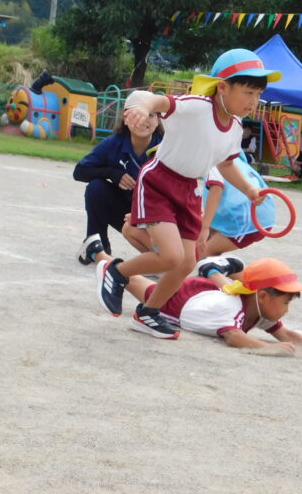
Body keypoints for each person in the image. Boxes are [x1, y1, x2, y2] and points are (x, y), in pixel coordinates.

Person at [95, 48, 280, 338]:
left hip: (190, 190)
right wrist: (144, 107)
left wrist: (249, 190)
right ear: (222, 87)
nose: (253, 101)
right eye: (247, 92)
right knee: (171, 256)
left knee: (188, 261)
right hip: (159, 182)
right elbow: (160, 101)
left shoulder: (235, 127)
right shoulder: (198, 107)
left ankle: (147, 313)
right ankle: (116, 272)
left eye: (258, 95)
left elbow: (227, 164)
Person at [82, 242, 302, 354]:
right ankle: (101, 258)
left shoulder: (257, 309)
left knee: (139, 281)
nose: (286, 309)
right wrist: (268, 348)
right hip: (179, 302)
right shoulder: (235, 310)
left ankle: (97, 253)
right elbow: (234, 337)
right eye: (285, 302)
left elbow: (284, 333)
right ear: (262, 296)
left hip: (202, 294)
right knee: (135, 282)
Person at [73, 90, 163, 262]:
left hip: (158, 217)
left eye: (151, 115)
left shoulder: (167, 147)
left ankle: (163, 254)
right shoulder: (114, 143)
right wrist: (112, 174)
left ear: (158, 119)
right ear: (125, 118)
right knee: (96, 188)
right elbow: (80, 171)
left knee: (170, 257)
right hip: (127, 213)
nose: (144, 120)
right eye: (137, 114)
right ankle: (97, 245)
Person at [199, 153, 279, 258]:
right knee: (201, 242)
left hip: (248, 218)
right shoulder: (233, 156)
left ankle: (225, 266)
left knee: (204, 253)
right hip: (256, 211)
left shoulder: (215, 157)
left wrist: (204, 225)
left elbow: (216, 190)